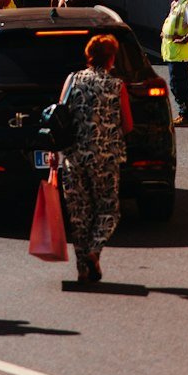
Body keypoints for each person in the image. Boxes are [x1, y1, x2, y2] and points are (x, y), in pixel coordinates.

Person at [50, 33, 133, 282]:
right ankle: (95, 251)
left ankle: (84, 269)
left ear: (89, 55)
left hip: (73, 157)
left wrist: (55, 153)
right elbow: (127, 125)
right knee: (108, 209)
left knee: (80, 215)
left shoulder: (73, 80)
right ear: (111, 58)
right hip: (105, 157)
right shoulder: (117, 85)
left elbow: (60, 118)